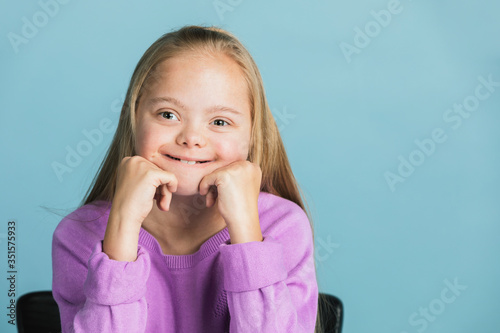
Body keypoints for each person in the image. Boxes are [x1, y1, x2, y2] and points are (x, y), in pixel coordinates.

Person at [52, 25, 321, 332]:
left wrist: (247, 233)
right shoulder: (80, 235)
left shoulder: (283, 226)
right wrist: (122, 228)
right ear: (134, 118)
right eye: (168, 114)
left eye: (220, 121)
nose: (192, 138)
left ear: (252, 136)